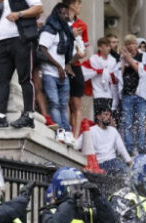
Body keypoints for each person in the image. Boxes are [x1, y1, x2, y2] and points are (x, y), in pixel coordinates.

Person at [0, 0, 43, 129]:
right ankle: (0, 116)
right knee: (1, 79)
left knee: (25, 78)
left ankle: (28, 116)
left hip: (22, 39)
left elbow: (39, 8)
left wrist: (19, 14)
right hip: (3, 43)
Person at [38, 4, 76, 144]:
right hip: (50, 73)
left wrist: (67, 65)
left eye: (66, 13)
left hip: (62, 74)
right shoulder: (49, 30)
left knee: (63, 104)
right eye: (61, 13)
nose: (65, 16)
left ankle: (67, 132)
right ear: (56, 14)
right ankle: (59, 131)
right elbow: (42, 49)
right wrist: (58, 66)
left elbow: (70, 53)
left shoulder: (66, 32)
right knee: (54, 104)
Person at [117, 34, 146, 156]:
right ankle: (129, 149)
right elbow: (118, 73)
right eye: (127, 44)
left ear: (136, 45)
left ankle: (142, 148)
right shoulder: (123, 57)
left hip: (140, 94)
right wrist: (123, 59)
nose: (130, 46)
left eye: (132, 44)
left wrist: (130, 60)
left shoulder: (143, 56)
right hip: (127, 94)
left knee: (141, 122)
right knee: (127, 123)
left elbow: (144, 72)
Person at [73, 107, 131, 175]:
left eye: (109, 115)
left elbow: (121, 149)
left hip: (112, 163)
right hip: (100, 165)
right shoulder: (91, 131)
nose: (109, 117)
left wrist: (130, 162)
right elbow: (76, 145)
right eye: (106, 115)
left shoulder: (113, 130)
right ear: (98, 117)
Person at [65, 0, 88, 138]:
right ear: (72, 5)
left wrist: (78, 55)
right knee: (65, 100)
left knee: (76, 102)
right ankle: (67, 131)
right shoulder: (60, 21)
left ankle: (75, 136)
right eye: (78, 4)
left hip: (76, 65)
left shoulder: (82, 25)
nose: (80, 7)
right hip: (61, 63)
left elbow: (84, 51)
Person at [84, 37, 118, 115]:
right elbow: (85, 72)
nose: (108, 48)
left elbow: (116, 76)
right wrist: (97, 71)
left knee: (108, 117)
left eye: (109, 46)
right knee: (99, 116)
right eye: (106, 46)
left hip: (110, 94)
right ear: (100, 47)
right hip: (98, 93)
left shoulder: (113, 60)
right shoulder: (93, 59)